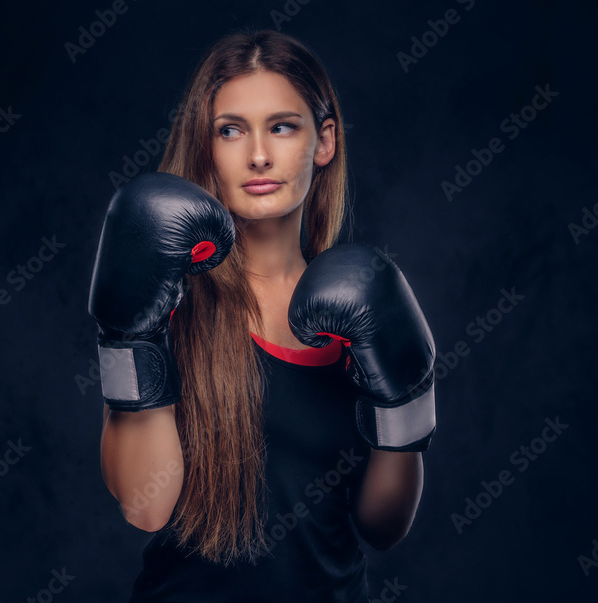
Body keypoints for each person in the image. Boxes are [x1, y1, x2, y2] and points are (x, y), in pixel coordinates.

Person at [87, 28, 437, 602]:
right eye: (231, 130)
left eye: (281, 126)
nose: (257, 154)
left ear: (323, 142)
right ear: (207, 146)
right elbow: (145, 506)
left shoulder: (360, 307)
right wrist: (131, 334)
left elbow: (383, 527)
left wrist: (406, 404)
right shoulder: (166, 295)